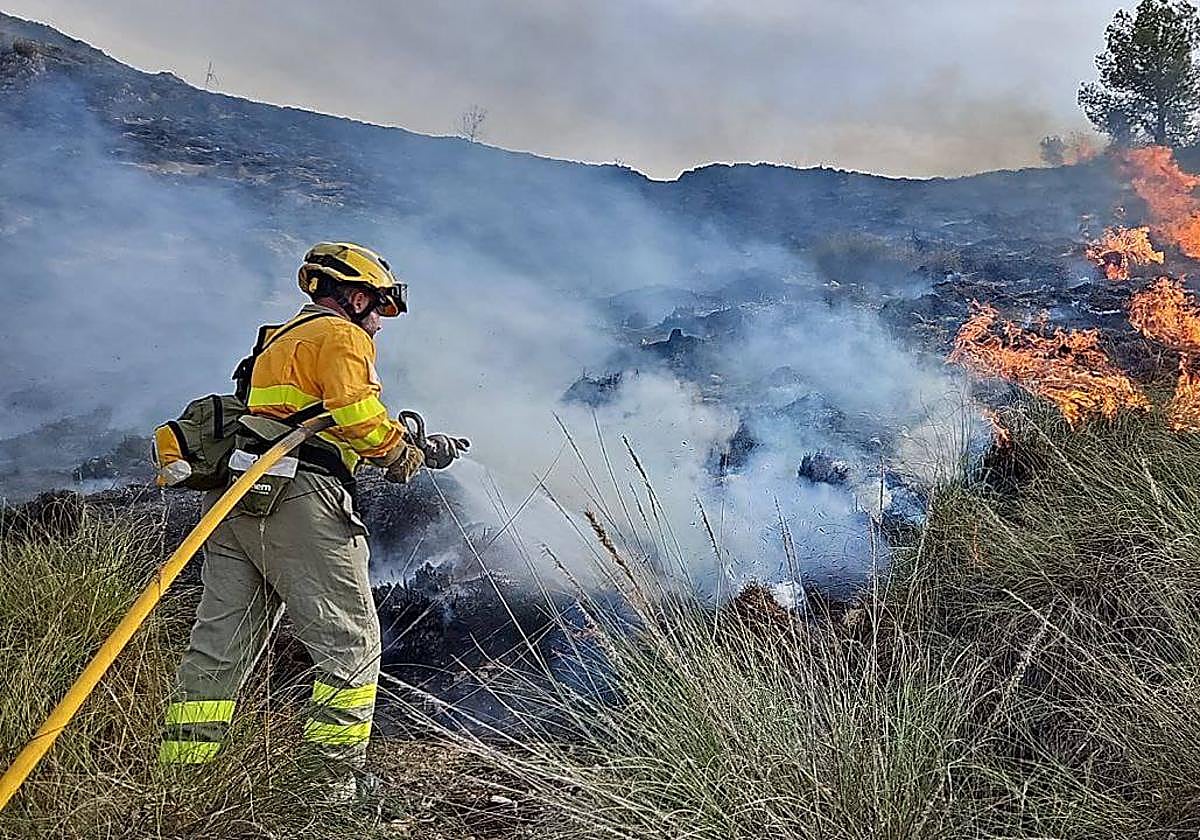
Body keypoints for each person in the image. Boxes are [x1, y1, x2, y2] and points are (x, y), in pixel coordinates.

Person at [157, 242, 464, 799]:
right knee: (351, 639)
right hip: (298, 499)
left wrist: (413, 443)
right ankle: (329, 788)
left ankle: (182, 774)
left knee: (220, 641)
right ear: (359, 295)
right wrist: (402, 452)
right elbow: (358, 418)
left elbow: (299, 413)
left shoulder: (278, 338)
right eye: (380, 310)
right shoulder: (342, 335)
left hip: (236, 499)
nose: (380, 325)